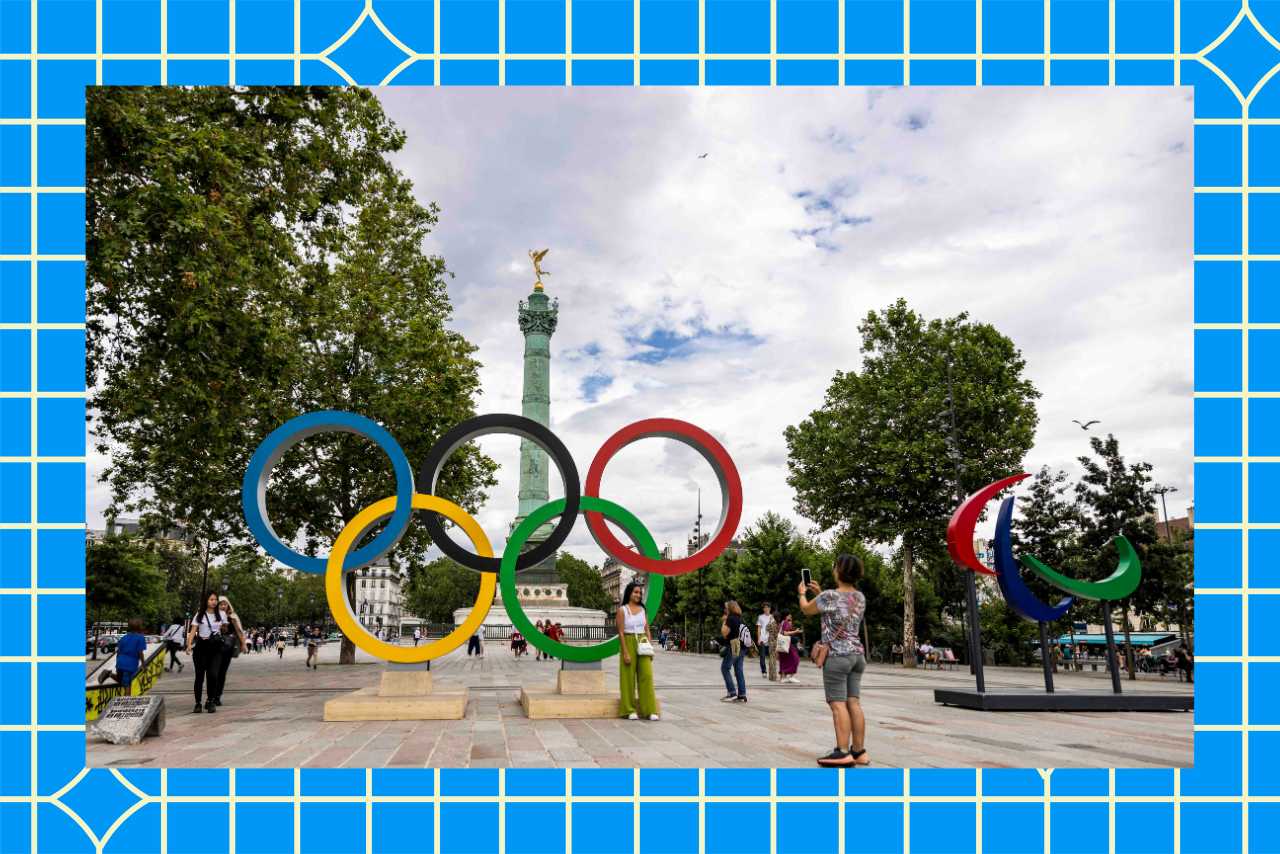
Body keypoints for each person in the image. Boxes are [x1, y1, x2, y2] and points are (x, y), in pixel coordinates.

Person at [800, 553, 869, 768]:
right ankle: (859, 752)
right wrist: (820, 593)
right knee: (853, 702)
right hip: (857, 655)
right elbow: (840, 612)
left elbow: (806, 609)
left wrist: (803, 594)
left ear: (839, 570)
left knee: (838, 705)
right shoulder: (860, 597)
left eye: (834, 566)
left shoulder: (829, 596)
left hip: (837, 657)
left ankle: (841, 753)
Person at [616, 581, 659, 720]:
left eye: (640, 593)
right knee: (627, 678)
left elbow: (647, 629)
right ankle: (629, 710)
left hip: (642, 642)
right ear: (629, 593)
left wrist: (651, 648)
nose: (638, 595)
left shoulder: (643, 610)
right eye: (636, 592)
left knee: (646, 676)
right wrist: (626, 652)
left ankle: (650, 710)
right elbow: (621, 632)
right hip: (628, 641)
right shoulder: (622, 610)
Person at [185, 592, 228, 713]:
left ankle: (210, 701)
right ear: (206, 601)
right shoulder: (200, 615)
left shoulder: (221, 614)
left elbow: (224, 628)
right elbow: (193, 630)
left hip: (215, 647)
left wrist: (224, 628)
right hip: (201, 646)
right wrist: (189, 645)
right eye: (211, 599)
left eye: (215, 599)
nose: (214, 601)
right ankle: (197, 703)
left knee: (213, 675)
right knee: (199, 677)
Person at [212, 596, 247, 706]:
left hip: (226, 647)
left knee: (222, 672)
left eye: (224, 604)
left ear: (228, 605)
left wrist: (243, 644)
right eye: (221, 604)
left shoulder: (232, 617)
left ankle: (217, 696)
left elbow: (239, 631)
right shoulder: (213, 615)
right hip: (214, 645)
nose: (223, 606)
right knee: (213, 672)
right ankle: (211, 695)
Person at [98, 617, 147, 694]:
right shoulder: (140, 638)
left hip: (120, 662)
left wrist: (118, 662)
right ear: (140, 626)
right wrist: (144, 665)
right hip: (129, 664)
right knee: (127, 685)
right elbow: (140, 652)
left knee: (121, 679)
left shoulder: (124, 637)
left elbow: (118, 651)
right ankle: (126, 704)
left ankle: (109, 674)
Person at [720, 600, 749, 702]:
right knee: (739, 671)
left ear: (729, 609)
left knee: (725, 668)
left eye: (726, 608)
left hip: (733, 646)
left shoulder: (730, 619)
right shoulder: (742, 619)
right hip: (742, 647)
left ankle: (732, 692)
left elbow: (724, 633)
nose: (725, 610)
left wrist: (724, 620)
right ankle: (742, 695)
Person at [778, 611, 801, 684]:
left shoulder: (782, 622)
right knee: (795, 659)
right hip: (787, 643)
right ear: (785, 615)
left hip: (782, 644)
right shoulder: (785, 622)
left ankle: (783, 678)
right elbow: (785, 633)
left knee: (785, 660)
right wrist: (795, 631)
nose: (790, 616)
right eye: (789, 614)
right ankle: (792, 676)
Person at [756, 603, 773, 676]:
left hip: (771, 638)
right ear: (763, 609)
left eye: (768, 607)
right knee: (762, 655)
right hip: (763, 638)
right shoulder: (761, 617)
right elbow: (759, 629)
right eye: (765, 607)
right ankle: (764, 671)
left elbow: (774, 628)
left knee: (771, 656)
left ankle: (772, 670)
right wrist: (758, 639)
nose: (767, 609)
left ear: (770, 608)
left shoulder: (772, 617)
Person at [765, 610, 781, 681]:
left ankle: (772, 675)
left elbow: (766, 628)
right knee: (774, 659)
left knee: (772, 659)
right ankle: (774, 675)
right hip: (778, 643)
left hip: (772, 643)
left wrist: (770, 620)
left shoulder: (772, 624)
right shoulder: (779, 625)